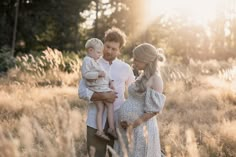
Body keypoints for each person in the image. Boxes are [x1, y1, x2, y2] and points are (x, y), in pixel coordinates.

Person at [78, 27, 135, 157]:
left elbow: (134, 94)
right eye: (107, 46)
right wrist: (103, 96)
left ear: (119, 50)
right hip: (95, 122)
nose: (109, 51)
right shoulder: (91, 63)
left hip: (119, 122)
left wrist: (130, 115)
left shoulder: (125, 68)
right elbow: (81, 92)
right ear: (103, 44)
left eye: (114, 49)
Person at [115, 43, 166, 157]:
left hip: (141, 129)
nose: (134, 62)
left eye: (137, 60)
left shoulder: (156, 80)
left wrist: (132, 125)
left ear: (146, 60)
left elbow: (153, 111)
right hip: (128, 127)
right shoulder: (142, 76)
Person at [81, 38, 117, 141]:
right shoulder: (87, 60)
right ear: (90, 50)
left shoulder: (95, 61)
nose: (100, 55)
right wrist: (97, 74)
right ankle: (111, 128)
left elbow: (105, 73)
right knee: (110, 104)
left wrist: (111, 81)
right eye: (98, 52)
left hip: (100, 87)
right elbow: (86, 75)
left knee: (100, 109)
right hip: (98, 88)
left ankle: (100, 131)